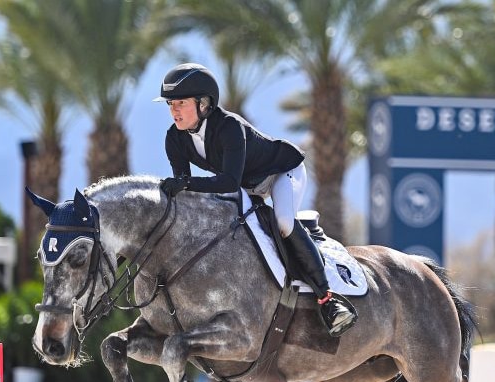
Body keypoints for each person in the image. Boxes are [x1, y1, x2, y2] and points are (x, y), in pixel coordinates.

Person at [153, 63, 357, 337]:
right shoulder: (173, 138)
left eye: (180, 103)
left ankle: (328, 300)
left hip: (281, 172)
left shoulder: (229, 128)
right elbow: (184, 186)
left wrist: (185, 184)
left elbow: (227, 182)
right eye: (170, 104)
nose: (174, 110)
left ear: (203, 104)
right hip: (247, 185)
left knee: (283, 222)